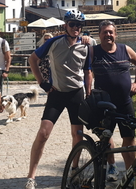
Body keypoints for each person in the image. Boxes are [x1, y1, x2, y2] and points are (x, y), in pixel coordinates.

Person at [25, 10, 92, 189]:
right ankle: (31, 177)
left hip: (76, 94)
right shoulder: (54, 42)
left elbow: (87, 71)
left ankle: (75, 171)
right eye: (72, 24)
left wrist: (89, 92)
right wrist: (43, 84)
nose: (76, 28)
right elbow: (33, 59)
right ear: (65, 25)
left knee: (77, 135)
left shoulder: (87, 45)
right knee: (43, 133)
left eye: (79, 25)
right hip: (57, 93)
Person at [91, 20, 136, 181]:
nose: (108, 34)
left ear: (115, 34)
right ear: (99, 35)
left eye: (111, 32)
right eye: (105, 32)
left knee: (129, 138)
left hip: (125, 102)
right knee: (106, 137)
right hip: (104, 103)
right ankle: (112, 167)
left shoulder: (125, 49)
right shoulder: (93, 52)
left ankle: (130, 173)